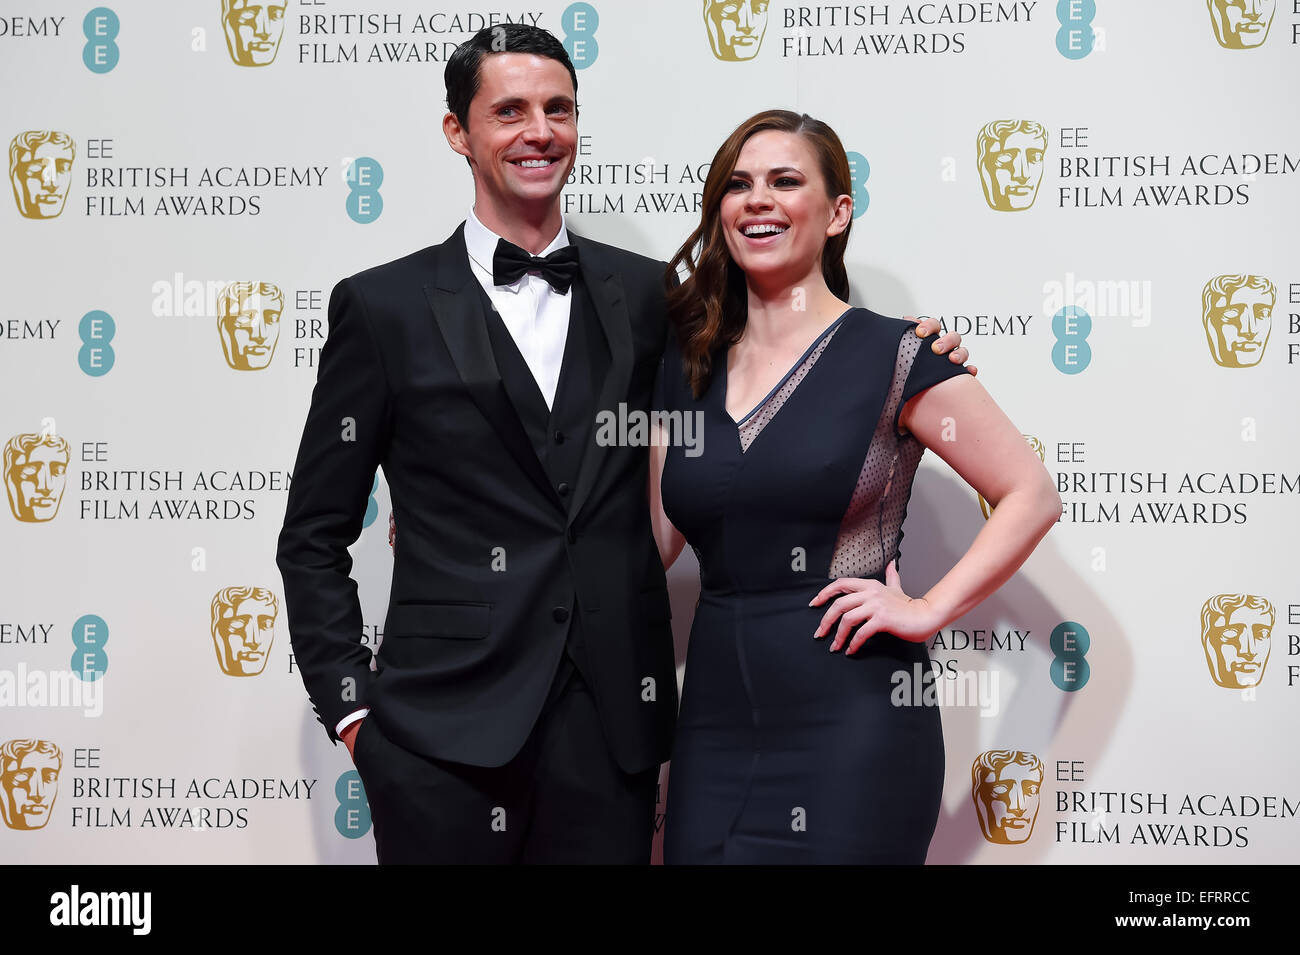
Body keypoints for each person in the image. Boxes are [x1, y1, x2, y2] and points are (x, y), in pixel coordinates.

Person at [280, 25, 969, 865]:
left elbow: (784, 358)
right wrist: (356, 716)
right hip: (437, 739)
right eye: (510, 111)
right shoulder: (381, 306)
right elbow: (313, 536)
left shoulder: (653, 299)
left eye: (559, 109)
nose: (540, 131)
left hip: (611, 738)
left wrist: (920, 355)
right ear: (459, 132)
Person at [650, 109, 1060, 864]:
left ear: (838, 211)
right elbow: (652, 544)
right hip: (711, 725)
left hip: (853, 724)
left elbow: (1031, 492)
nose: (757, 199)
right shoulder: (686, 363)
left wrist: (930, 608)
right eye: (738, 184)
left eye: (785, 181)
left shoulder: (898, 354)